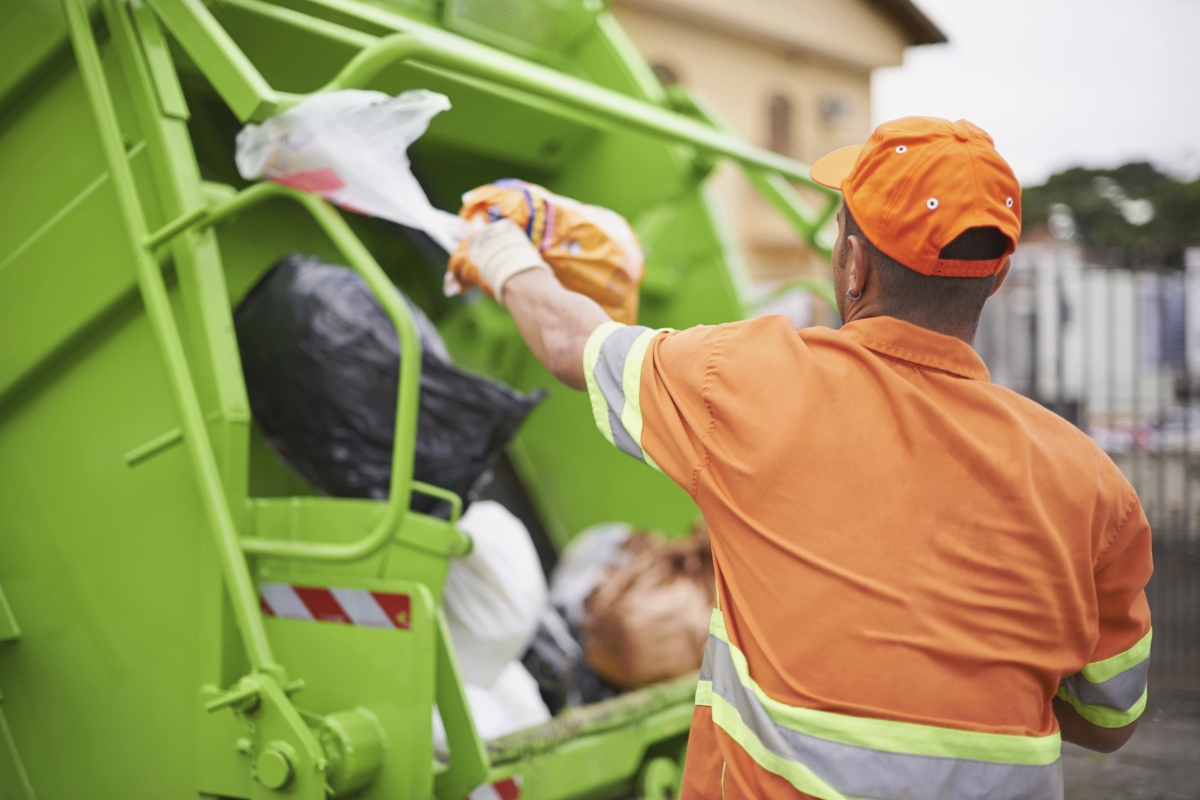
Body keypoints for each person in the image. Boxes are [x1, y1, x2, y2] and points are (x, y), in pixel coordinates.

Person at [451, 117, 1152, 800]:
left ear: (852, 264)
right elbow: (1109, 717)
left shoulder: (747, 381)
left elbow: (568, 342)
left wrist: (500, 248)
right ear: (995, 278)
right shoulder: (1093, 487)